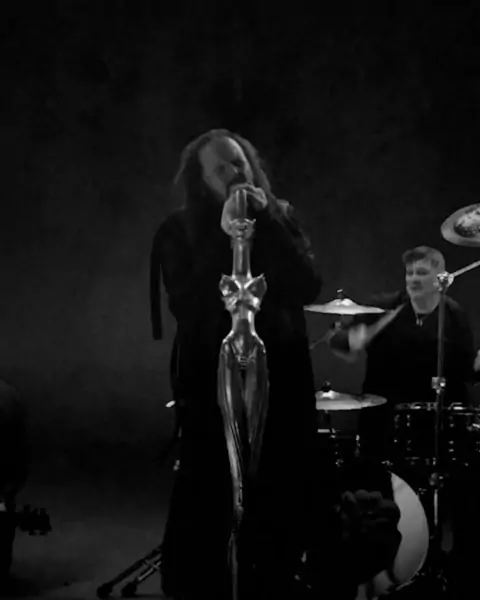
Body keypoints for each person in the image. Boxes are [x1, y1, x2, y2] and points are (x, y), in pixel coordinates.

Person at [150, 129, 402, 600]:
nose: (234, 173)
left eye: (238, 161)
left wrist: (265, 222)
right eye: (220, 168)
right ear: (201, 181)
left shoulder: (280, 217)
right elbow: (187, 305)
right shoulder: (177, 230)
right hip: (212, 384)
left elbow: (307, 285)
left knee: (282, 495)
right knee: (207, 493)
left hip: (282, 381)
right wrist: (224, 236)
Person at [328, 245, 480, 598]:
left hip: (435, 423)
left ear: (440, 279)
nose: (413, 279)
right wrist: (349, 340)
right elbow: (338, 341)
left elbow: (463, 373)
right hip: (383, 420)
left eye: (422, 273)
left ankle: (452, 569)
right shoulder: (384, 309)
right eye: (410, 273)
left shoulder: (454, 316)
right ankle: (384, 571)